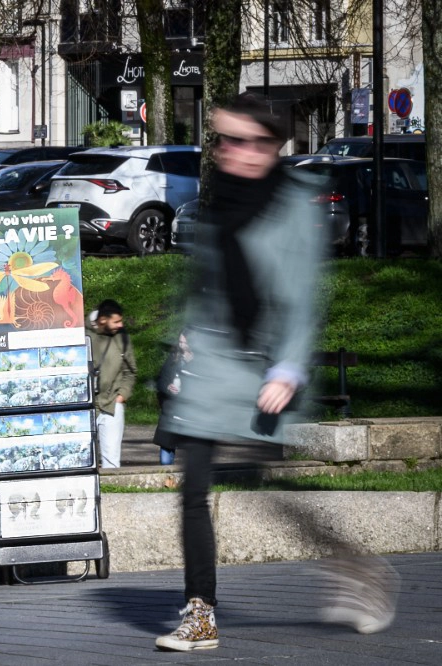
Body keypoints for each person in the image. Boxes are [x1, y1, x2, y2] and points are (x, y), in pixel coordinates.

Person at [154, 93, 396, 651]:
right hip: (210, 361)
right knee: (194, 483)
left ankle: (359, 567)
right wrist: (183, 340)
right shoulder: (217, 198)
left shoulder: (293, 205)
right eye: (224, 140)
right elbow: (205, 281)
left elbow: (302, 296)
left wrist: (288, 368)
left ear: (275, 145)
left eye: (251, 142)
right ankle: (200, 614)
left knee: (264, 483)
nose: (235, 152)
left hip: (261, 366)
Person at [86, 299, 136, 469]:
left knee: (112, 461)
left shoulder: (122, 338)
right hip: (85, 406)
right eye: (116, 321)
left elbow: (130, 371)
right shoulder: (81, 334)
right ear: (102, 320)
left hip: (112, 404)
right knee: (83, 457)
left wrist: (122, 395)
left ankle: (112, 492)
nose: (120, 325)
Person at [152, 331, 193, 465]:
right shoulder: (173, 357)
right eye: (180, 342)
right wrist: (168, 387)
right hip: (170, 408)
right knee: (166, 447)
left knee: (191, 449)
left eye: (185, 343)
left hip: (189, 410)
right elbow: (161, 380)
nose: (182, 346)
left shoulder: (198, 361)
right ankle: (164, 475)